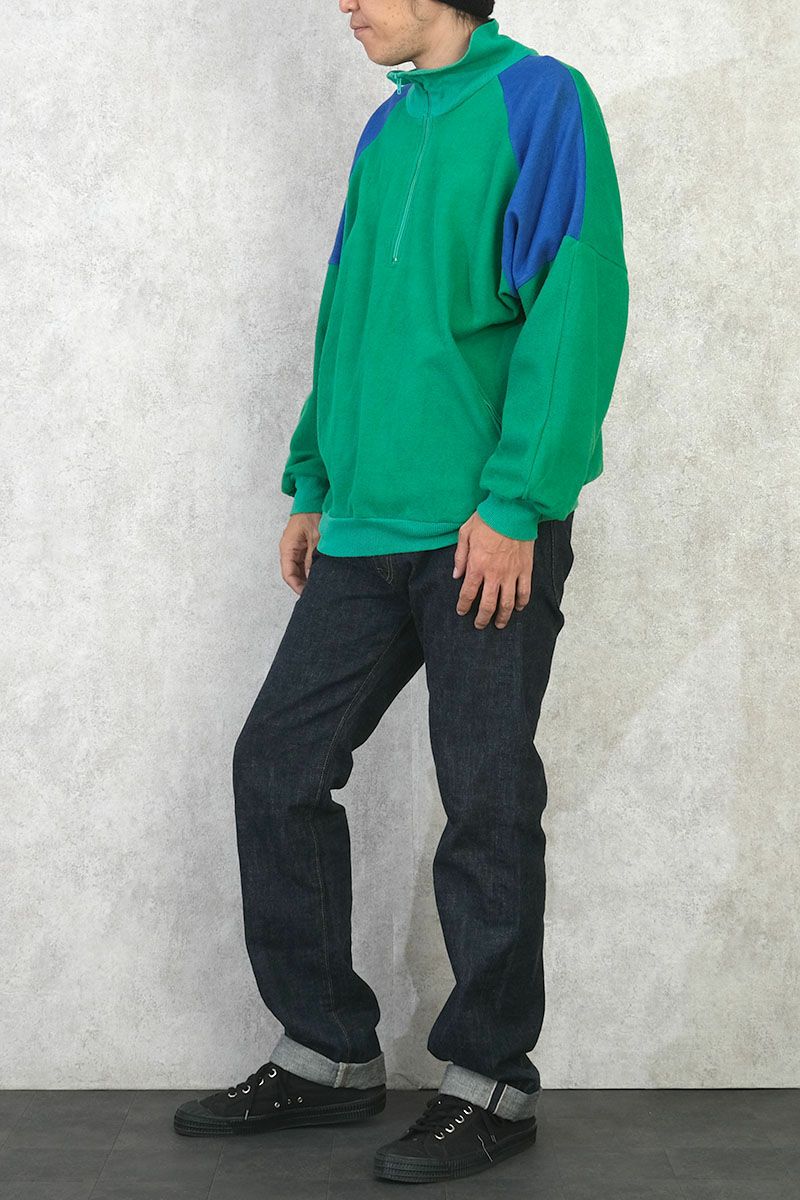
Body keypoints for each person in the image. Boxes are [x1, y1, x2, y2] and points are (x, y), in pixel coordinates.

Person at [174, 0, 629, 1184]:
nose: (344, 2)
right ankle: (329, 1051)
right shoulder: (388, 131)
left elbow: (575, 302)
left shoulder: (540, 101)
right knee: (276, 766)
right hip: (364, 529)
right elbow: (349, 315)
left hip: (481, 527)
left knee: (483, 797)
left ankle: (489, 1083)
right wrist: (312, 478)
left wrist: (516, 501)